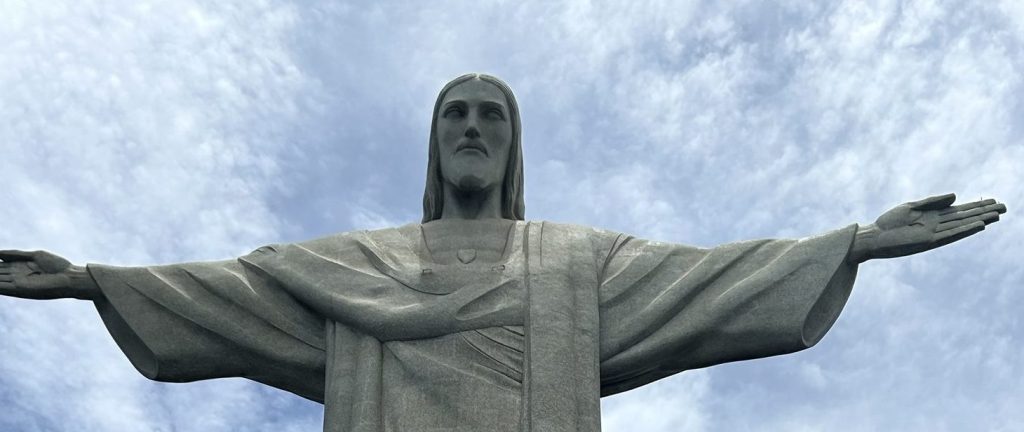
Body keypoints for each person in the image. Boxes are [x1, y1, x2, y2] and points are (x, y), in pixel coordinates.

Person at [0, 73, 1007, 432]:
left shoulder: (575, 260)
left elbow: (710, 279)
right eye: (455, 116)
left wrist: (858, 244)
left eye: (490, 116)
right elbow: (230, 293)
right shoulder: (355, 262)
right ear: (434, 143)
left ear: (512, 144)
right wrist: (93, 280)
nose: (472, 129)